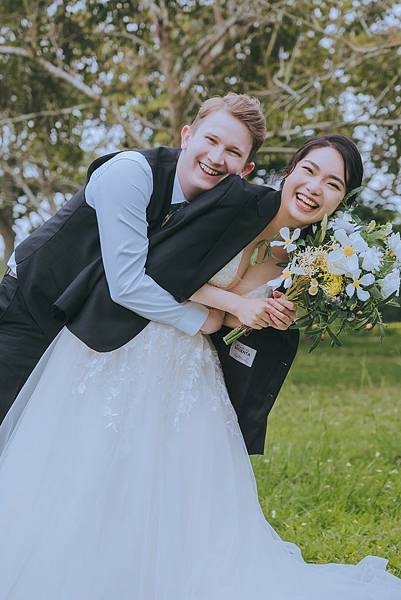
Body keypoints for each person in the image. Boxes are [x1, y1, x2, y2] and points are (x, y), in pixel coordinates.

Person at [0, 135, 400, 599]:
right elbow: (159, 267)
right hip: (132, 339)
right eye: (309, 171)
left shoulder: (307, 264)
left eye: (333, 183)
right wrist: (231, 305)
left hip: (194, 367)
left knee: (182, 494)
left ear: (342, 199)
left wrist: (255, 317)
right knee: (86, 463)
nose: (315, 188)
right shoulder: (235, 200)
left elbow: (231, 324)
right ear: (290, 170)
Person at [0, 92, 295, 427]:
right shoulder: (131, 173)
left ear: (246, 169)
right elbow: (126, 284)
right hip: (32, 304)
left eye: (233, 152)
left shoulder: (220, 209)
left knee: (39, 431)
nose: (216, 157)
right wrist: (202, 319)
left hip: (81, 326)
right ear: (187, 136)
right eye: (211, 140)